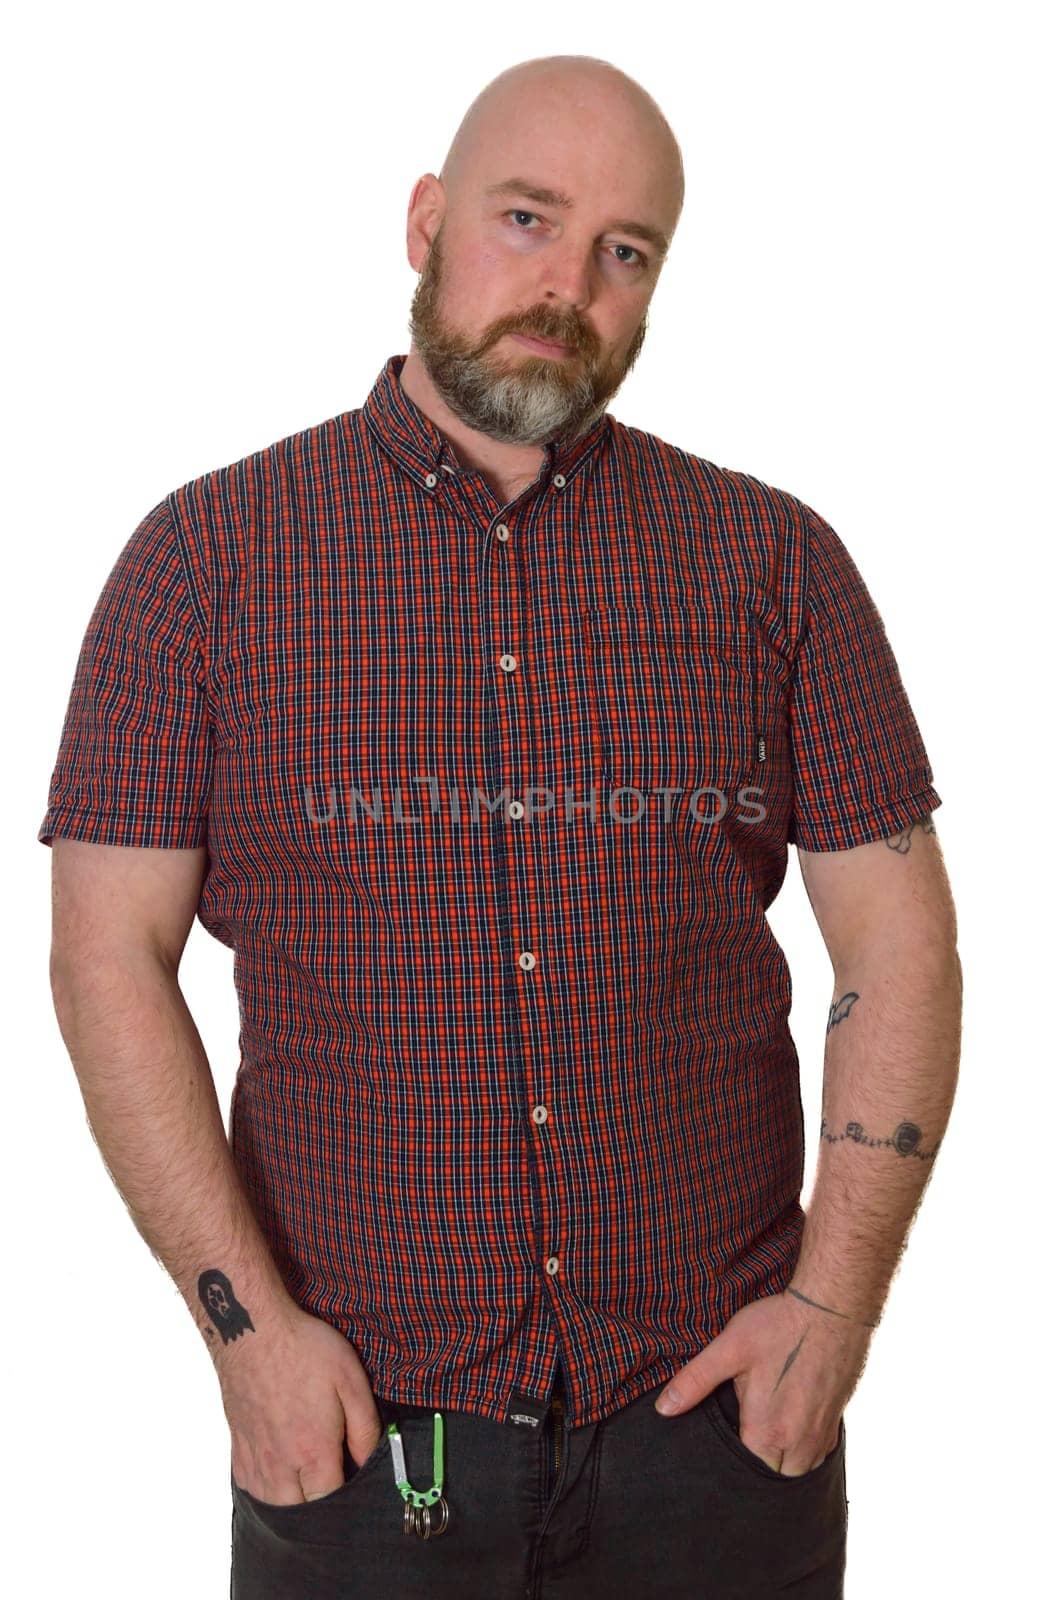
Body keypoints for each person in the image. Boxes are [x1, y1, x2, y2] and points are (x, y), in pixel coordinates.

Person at [39, 52, 962, 1600]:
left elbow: (901, 947)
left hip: (717, 1424)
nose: (567, 288)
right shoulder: (204, 565)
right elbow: (105, 961)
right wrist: (246, 1334)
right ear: (426, 219)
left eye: (625, 250)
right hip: (363, 1426)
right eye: (526, 218)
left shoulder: (773, 561)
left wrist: (838, 1310)